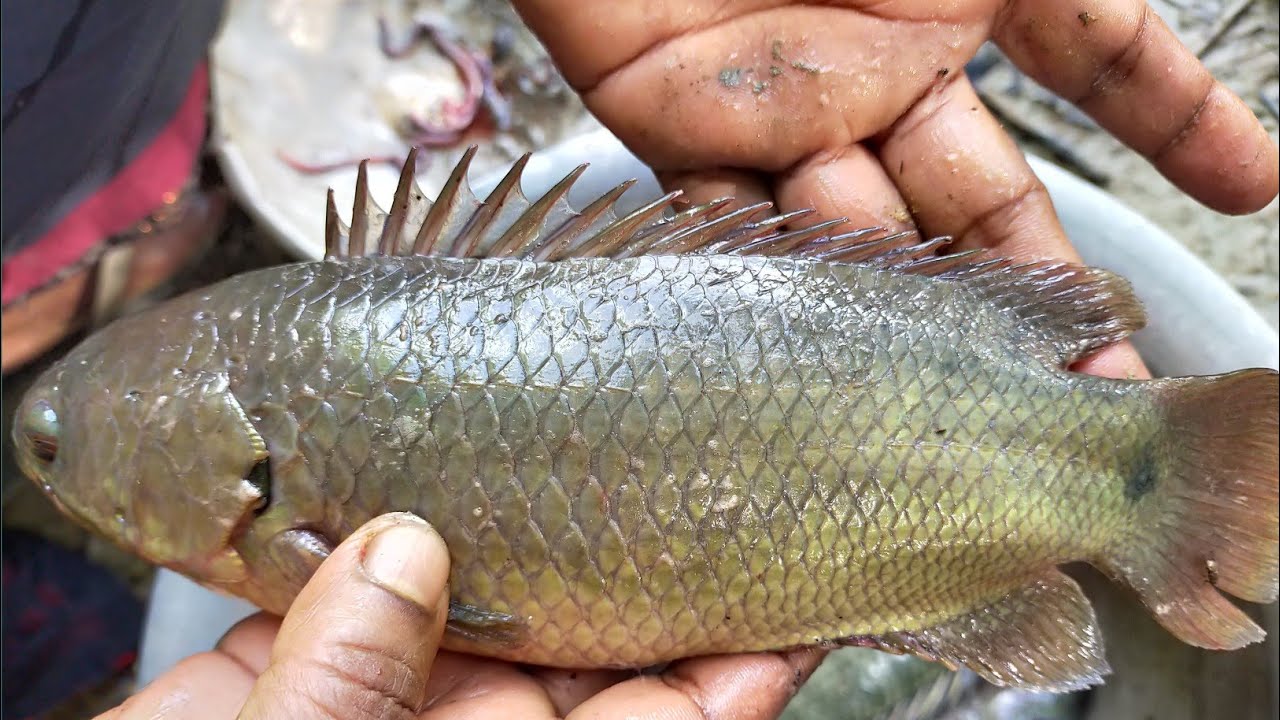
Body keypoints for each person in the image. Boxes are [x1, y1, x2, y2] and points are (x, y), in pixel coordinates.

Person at [47, 0, 1280, 718]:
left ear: (249, 482)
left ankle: (1147, 475)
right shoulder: (278, 427)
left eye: (69, 452)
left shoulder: (283, 517)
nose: (55, 457)